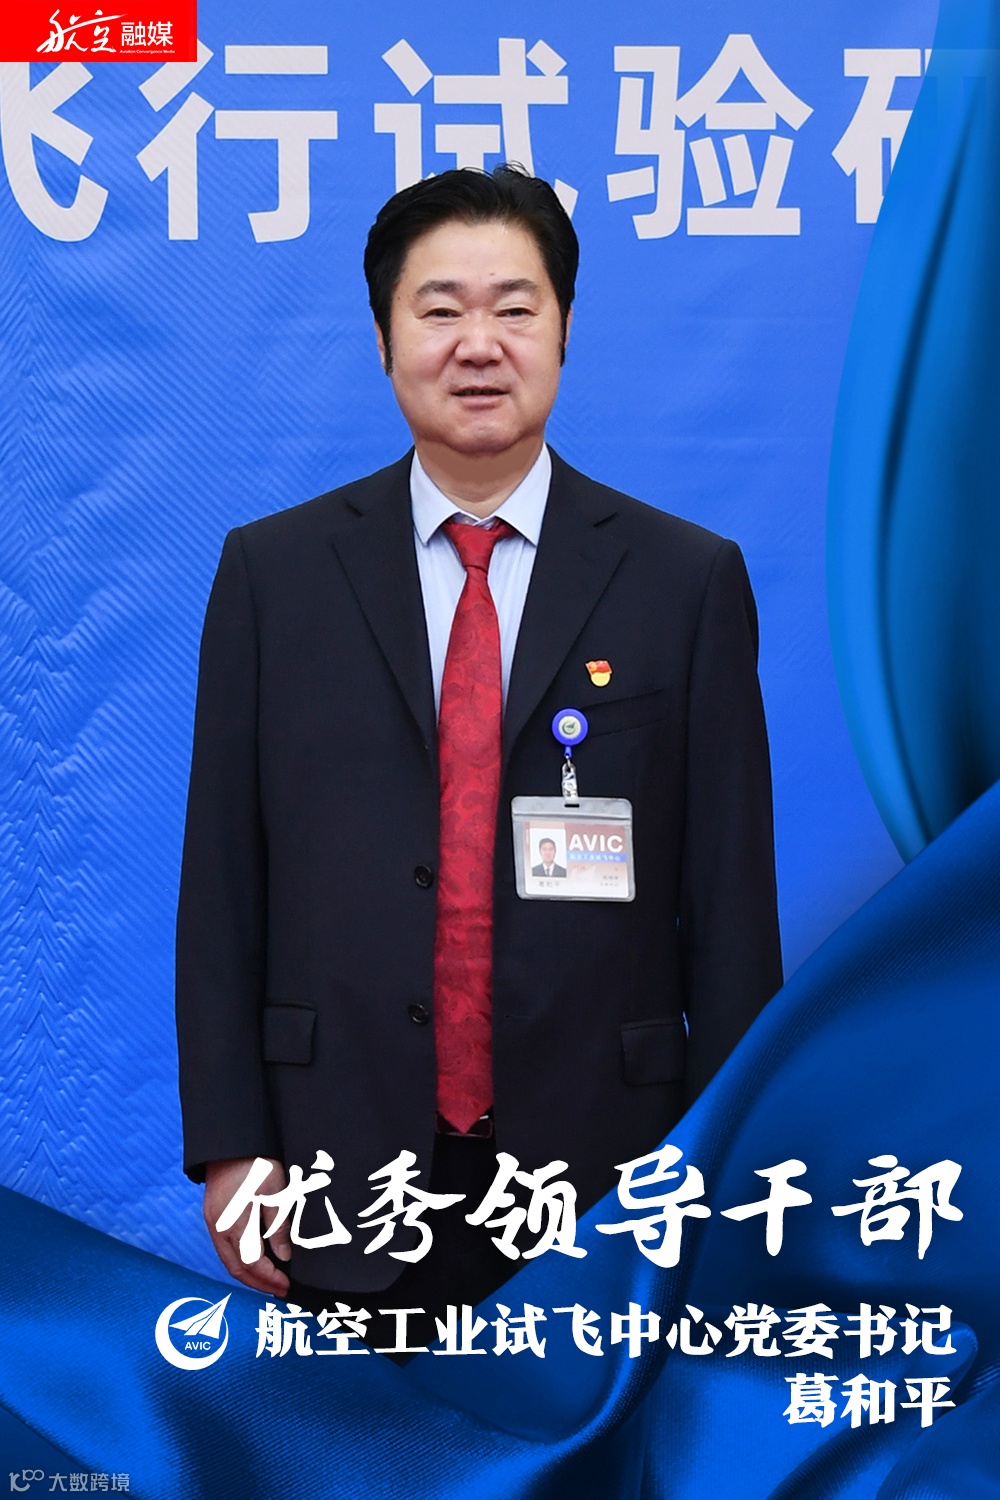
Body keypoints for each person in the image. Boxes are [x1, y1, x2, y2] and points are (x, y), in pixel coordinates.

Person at [175, 164, 782, 1345]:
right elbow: (223, 885)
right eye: (439, 309)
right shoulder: (274, 575)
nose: (478, 344)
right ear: (383, 337)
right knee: (363, 1440)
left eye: (514, 307)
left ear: (563, 329)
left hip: (610, 1169)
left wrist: (724, 1166)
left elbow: (729, 913)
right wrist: (235, 1144)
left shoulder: (682, 581)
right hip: (339, 1161)